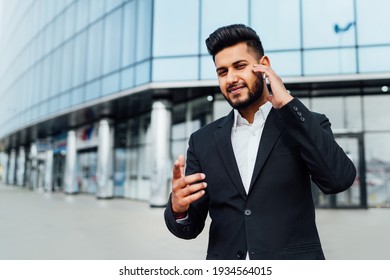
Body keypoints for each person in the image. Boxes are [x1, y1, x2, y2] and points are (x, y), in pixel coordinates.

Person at [164, 24, 356, 260]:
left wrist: (287, 103)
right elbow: (189, 228)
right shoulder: (202, 141)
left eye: (240, 66)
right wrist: (178, 208)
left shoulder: (304, 123)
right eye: (222, 72)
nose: (231, 78)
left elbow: (339, 179)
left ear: (263, 65)